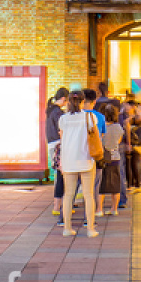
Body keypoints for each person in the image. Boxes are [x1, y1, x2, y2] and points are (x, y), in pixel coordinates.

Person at [57, 93, 100, 238]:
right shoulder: (89, 117)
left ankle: (67, 228)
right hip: (86, 159)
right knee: (89, 195)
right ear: (82, 102)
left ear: (69, 102)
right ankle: (90, 229)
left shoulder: (63, 119)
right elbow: (96, 136)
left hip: (68, 161)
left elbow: (62, 139)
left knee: (68, 195)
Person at [97, 102, 125, 216]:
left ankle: (99, 209)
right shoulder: (118, 127)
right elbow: (118, 141)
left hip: (102, 158)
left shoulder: (101, 127)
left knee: (100, 185)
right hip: (115, 158)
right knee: (115, 185)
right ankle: (114, 209)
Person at [45, 87, 69, 217]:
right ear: (64, 99)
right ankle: (60, 206)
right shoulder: (58, 112)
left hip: (51, 144)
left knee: (58, 175)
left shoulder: (50, 110)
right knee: (61, 176)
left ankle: (58, 205)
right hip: (58, 144)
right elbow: (62, 129)